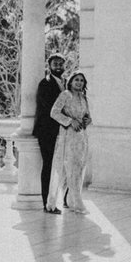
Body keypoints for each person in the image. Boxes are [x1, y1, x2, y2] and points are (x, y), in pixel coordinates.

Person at [50, 71, 91, 214]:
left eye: (81, 80)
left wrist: (87, 120)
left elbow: (87, 116)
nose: (79, 82)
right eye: (76, 80)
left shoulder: (83, 97)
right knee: (71, 168)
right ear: (71, 82)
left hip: (82, 137)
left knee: (79, 168)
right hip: (68, 136)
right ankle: (76, 202)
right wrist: (69, 121)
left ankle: (70, 200)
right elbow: (54, 112)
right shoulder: (65, 95)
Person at [34, 54, 65, 214]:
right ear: (49, 65)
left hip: (60, 132)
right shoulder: (45, 83)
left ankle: (64, 200)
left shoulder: (65, 83)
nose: (58, 66)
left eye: (60, 63)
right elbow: (49, 108)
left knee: (61, 166)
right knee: (49, 167)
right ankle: (47, 203)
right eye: (55, 64)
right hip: (47, 132)